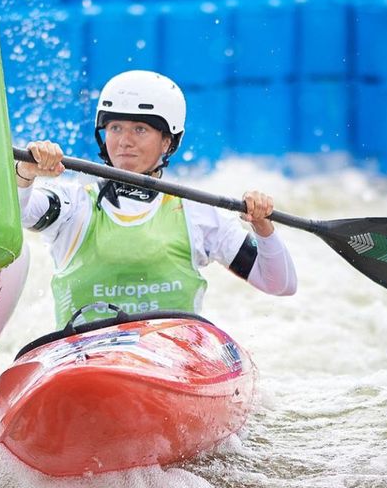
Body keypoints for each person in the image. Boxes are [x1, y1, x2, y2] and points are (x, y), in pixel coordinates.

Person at [15, 70, 297, 327]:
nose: (124, 140)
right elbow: (17, 214)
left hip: (171, 360)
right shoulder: (72, 204)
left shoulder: (195, 212)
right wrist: (25, 173)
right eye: (115, 128)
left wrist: (263, 227)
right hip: (86, 357)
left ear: (167, 141)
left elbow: (280, 284)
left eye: (139, 129)